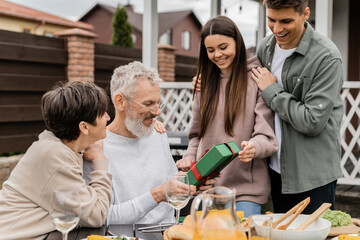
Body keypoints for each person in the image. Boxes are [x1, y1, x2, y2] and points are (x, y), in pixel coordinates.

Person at [176, 16, 278, 218]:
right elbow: (196, 134)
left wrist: (254, 147)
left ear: (237, 43)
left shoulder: (256, 79)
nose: (218, 55)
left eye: (223, 47)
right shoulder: (203, 85)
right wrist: (189, 157)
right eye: (211, 50)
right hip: (205, 187)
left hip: (244, 192)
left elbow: (266, 135)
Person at [250, 0, 344, 213]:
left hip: (313, 175)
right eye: (271, 20)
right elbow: (244, 80)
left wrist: (272, 89)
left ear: (305, 14)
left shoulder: (326, 57)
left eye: (286, 21)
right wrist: (207, 79)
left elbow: (312, 121)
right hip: (275, 169)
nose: (277, 28)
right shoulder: (266, 47)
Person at [84, 61, 198, 225]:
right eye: (148, 104)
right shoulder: (96, 148)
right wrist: (158, 194)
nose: (157, 112)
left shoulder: (158, 133)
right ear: (120, 101)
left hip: (169, 231)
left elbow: (170, 187)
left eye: (158, 103)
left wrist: (191, 182)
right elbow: (102, 216)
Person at [0, 81, 112, 240]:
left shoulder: (61, 148)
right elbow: (96, 215)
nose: (108, 116)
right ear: (84, 127)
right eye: (102, 113)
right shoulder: (54, 155)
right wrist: (99, 161)